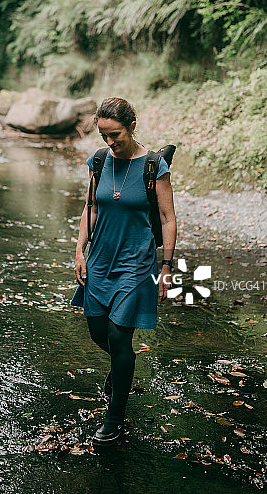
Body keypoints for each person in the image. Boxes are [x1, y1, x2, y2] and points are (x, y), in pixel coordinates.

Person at [71, 96, 177, 446]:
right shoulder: (99, 161)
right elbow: (90, 207)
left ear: (132, 125)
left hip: (136, 262)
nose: (110, 142)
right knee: (98, 332)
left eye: (115, 134)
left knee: (119, 337)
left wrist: (166, 267)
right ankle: (120, 368)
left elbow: (167, 218)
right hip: (100, 258)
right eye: (103, 135)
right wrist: (79, 250)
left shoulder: (153, 166)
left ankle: (114, 416)